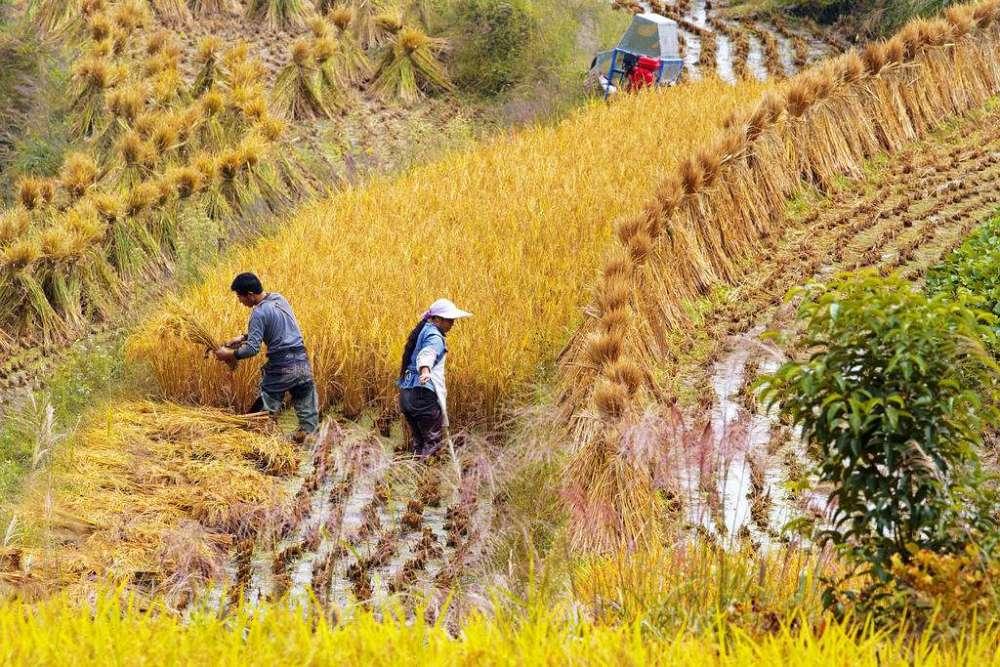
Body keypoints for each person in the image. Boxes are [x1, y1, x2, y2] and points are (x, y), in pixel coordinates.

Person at [212, 272, 319, 442]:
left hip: (282, 367)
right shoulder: (278, 299)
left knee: (259, 419)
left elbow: (253, 349)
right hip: (302, 363)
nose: (240, 301)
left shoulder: (258, 313)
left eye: (240, 296)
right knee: (309, 426)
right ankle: (315, 457)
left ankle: (260, 451)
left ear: (250, 295)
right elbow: (275, 326)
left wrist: (229, 353)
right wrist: (243, 337)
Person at [397, 298, 472, 458]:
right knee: (432, 445)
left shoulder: (422, 330)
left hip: (406, 396)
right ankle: (427, 480)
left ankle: (415, 476)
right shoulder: (435, 336)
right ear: (436, 319)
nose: (452, 323)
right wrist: (425, 371)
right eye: (449, 320)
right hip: (423, 396)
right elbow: (427, 354)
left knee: (419, 443)